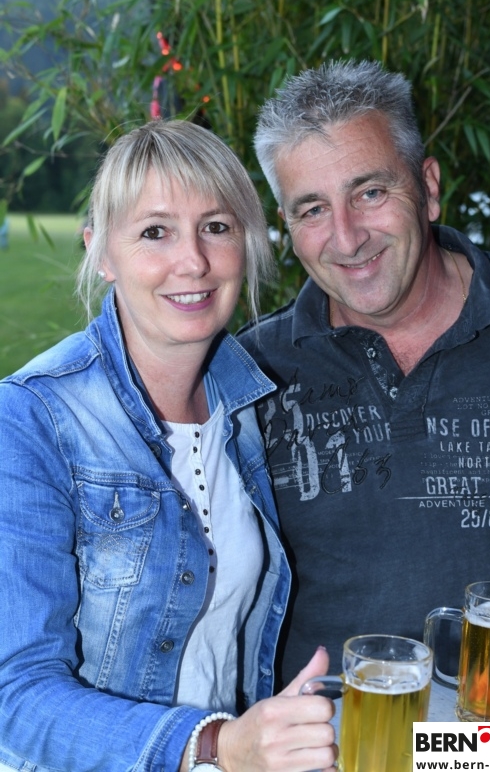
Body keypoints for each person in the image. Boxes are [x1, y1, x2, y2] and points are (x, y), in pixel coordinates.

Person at [0, 120, 336, 772]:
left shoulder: (250, 403)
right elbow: (14, 697)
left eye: (216, 226)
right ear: (102, 251)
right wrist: (212, 743)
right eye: (155, 232)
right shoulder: (32, 418)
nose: (194, 262)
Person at [237, 59, 490, 720]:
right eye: (313, 209)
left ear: (427, 187)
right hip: (326, 747)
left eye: (369, 192)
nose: (346, 238)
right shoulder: (248, 376)